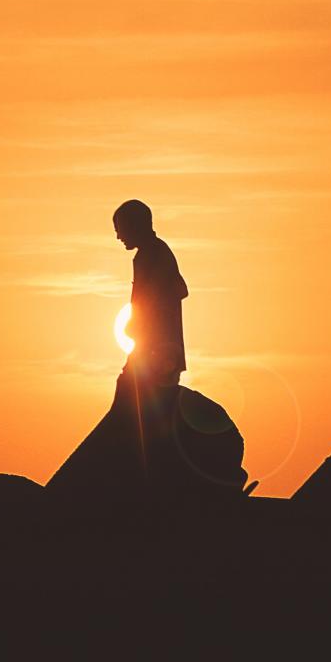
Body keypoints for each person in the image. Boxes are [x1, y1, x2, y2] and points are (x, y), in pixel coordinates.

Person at [112, 200, 189, 473]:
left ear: (135, 225)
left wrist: (142, 321)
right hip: (154, 348)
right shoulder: (150, 254)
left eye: (121, 228)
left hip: (158, 352)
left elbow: (173, 291)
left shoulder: (154, 254)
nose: (118, 236)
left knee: (143, 406)